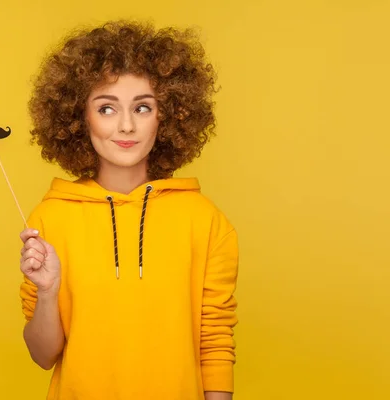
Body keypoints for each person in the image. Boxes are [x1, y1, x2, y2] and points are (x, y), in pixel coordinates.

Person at [18, 20, 239, 400]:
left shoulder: (205, 220)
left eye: (142, 107)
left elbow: (215, 344)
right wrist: (49, 291)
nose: (125, 125)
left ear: (167, 116)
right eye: (106, 108)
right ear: (78, 117)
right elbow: (42, 355)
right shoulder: (49, 218)